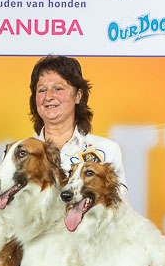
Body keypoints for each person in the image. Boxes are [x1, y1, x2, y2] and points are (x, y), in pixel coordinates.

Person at [29, 55, 126, 186]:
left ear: (78, 96)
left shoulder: (107, 150)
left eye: (58, 88)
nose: (48, 96)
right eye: (42, 90)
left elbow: (118, 198)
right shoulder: (16, 153)